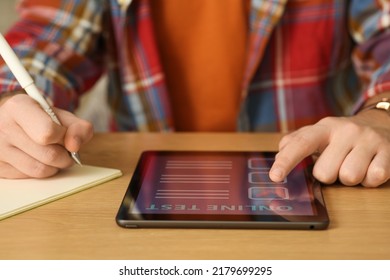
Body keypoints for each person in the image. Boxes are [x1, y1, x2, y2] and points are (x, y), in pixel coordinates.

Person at [0, 0, 389, 187]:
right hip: (135, 193)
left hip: (317, 184)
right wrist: (7, 103)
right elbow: (43, 43)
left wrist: (382, 114)